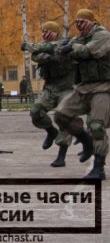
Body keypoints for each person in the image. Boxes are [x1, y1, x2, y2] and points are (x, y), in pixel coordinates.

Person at [54, 9, 110, 180]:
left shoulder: (103, 35)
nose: (79, 25)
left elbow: (89, 51)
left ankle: (99, 167)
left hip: (103, 87)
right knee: (61, 115)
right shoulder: (78, 38)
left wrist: (70, 48)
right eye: (76, 22)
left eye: (82, 22)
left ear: (92, 22)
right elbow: (60, 54)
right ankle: (85, 141)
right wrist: (62, 48)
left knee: (96, 126)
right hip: (83, 87)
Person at [21, 21, 76, 167]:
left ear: (56, 32)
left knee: (64, 118)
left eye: (48, 32)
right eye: (43, 32)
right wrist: (48, 57)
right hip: (50, 87)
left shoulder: (66, 43)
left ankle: (61, 156)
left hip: (67, 87)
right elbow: (35, 57)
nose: (45, 35)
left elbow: (57, 51)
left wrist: (38, 50)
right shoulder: (41, 47)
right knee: (35, 111)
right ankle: (51, 131)